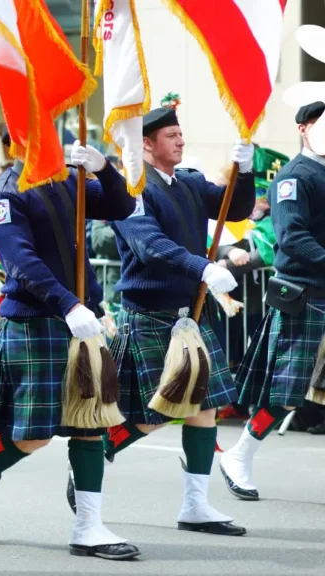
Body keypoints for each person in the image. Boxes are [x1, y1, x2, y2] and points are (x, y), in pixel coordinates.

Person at [66, 96, 254, 537]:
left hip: (190, 312)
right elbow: (150, 245)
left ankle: (196, 505)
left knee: (203, 408)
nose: (181, 141)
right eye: (172, 135)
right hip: (149, 312)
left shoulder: (186, 181)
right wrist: (203, 266)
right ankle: (96, 454)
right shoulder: (134, 188)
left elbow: (235, 207)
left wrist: (242, 172)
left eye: (181, 134)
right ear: (146, 145)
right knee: (153, 414)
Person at [0, 138, 140, 560]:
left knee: (92, 421)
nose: (54, 140)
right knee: (35, 432)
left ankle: (89, 526)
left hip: (80, 317)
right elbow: (18, 258)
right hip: (38, 318)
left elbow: (122, 206)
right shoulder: (5, 190)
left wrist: (104, 169)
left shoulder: (68, 180)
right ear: (16, 140)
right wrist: (67, 303)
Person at [220, 102, 325, 500]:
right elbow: (293, 238)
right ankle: (240, 455)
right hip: (304, 295)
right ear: (304, 129)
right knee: (286, 393)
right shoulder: (294, 178)